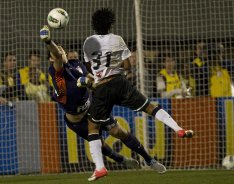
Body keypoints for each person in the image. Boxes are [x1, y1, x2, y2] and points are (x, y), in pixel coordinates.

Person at [82, 8, 194, 181]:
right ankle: (178, 129)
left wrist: (98, 74)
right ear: (110, 24)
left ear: (94, 26)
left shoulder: (88, 42)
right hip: (120, 83)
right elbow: (126, 65)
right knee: (150, 107)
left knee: (92, 127)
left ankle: (100, 167)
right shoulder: (117, 39)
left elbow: (90, 66)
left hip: (102, 88)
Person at [39, 25, 141, 171]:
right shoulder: (58, 68)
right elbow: (56, 55)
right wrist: (48, 41)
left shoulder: (75, 64)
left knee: (117, 131)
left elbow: (92, 79)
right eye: (59, 50)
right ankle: (121, 159)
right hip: (75, 115)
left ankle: (144, 157)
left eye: (62, 49)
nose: (62, 51)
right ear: (52, 57)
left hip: (90, 105)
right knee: (99, 142)